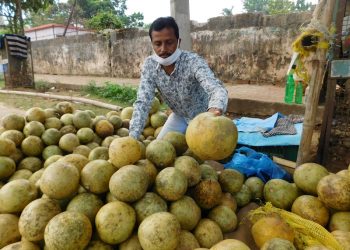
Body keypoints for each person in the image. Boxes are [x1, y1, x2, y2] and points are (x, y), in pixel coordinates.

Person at [129, 16, 228, 140]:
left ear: (178, 41)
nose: (163, 49)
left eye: (169, 42)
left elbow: (217, 89)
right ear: (152, 44)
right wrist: (132, 137)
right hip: (179, 117)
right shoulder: (150, 65)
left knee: (204, 156)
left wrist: (214, 110)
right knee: (160, 148)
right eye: (158, 44)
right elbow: (143, 102)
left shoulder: (193, 61)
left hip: (204, 119)